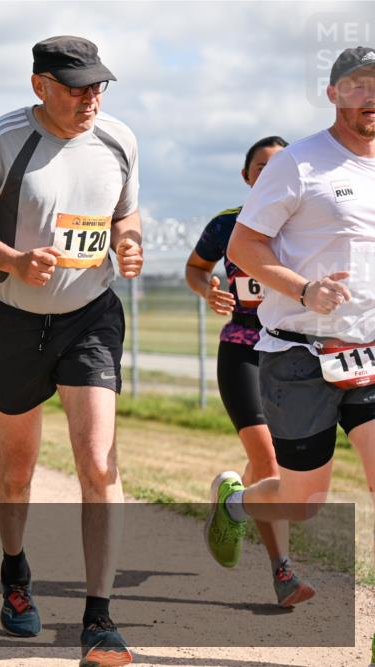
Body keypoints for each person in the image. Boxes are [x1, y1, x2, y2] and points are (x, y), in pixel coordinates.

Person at [0, 36, 142, 666]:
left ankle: (99, 619)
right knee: (18, 467)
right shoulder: (3, 141)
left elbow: (125, 215)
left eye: (98, 86)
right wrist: (14, 260)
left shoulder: (119, 140)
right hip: (14, 323)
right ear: (40, 86)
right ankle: (15, 572)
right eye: (76, 88)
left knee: (98, 464)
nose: (90, 99)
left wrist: (129, 243)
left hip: (91, 317)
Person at [205, 48, 375, 579]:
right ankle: (235, 503)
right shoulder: (299, 163)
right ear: (332, 93)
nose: (370, 96)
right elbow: (243, 245)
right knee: (302, 503)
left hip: (369, 352)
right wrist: (304, 290)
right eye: (358, 84)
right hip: (300, 356)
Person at [186, 136, 316, 607]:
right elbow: (196, 267)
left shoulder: (308, 226)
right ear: (247, 176)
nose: (270, 173)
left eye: (281, 165)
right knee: (269, 459)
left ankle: (232, 503)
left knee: (271, 462)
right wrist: (207, 290)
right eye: (261, 166)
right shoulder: (227, 224)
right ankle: (283, 571)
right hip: (242, 349)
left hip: (292, 353)